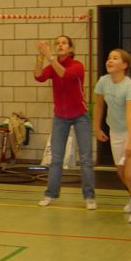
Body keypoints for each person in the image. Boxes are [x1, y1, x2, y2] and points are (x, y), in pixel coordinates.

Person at [33, 35, 96, 209]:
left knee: (85, 158)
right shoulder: (52, 66)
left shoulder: (77, 66)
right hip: (60, 116)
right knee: (56, 158)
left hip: (80, 115)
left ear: (71, 49)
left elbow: (65, 75)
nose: (60, 45)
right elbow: (38, 76)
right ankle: (50, 194)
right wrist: (40, 58)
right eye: (57, 43)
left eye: (64, 43)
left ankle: (89, 196)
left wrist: (50, 57)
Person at [93, 49, 131, 223]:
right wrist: (96, 128)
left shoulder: (130, 86)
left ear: (124, 65)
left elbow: (130, 115)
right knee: (122, 174)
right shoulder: (103, 82)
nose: (109, 61)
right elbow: (98, 106)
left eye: (115, 58)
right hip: (116, 131)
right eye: (109, 58)